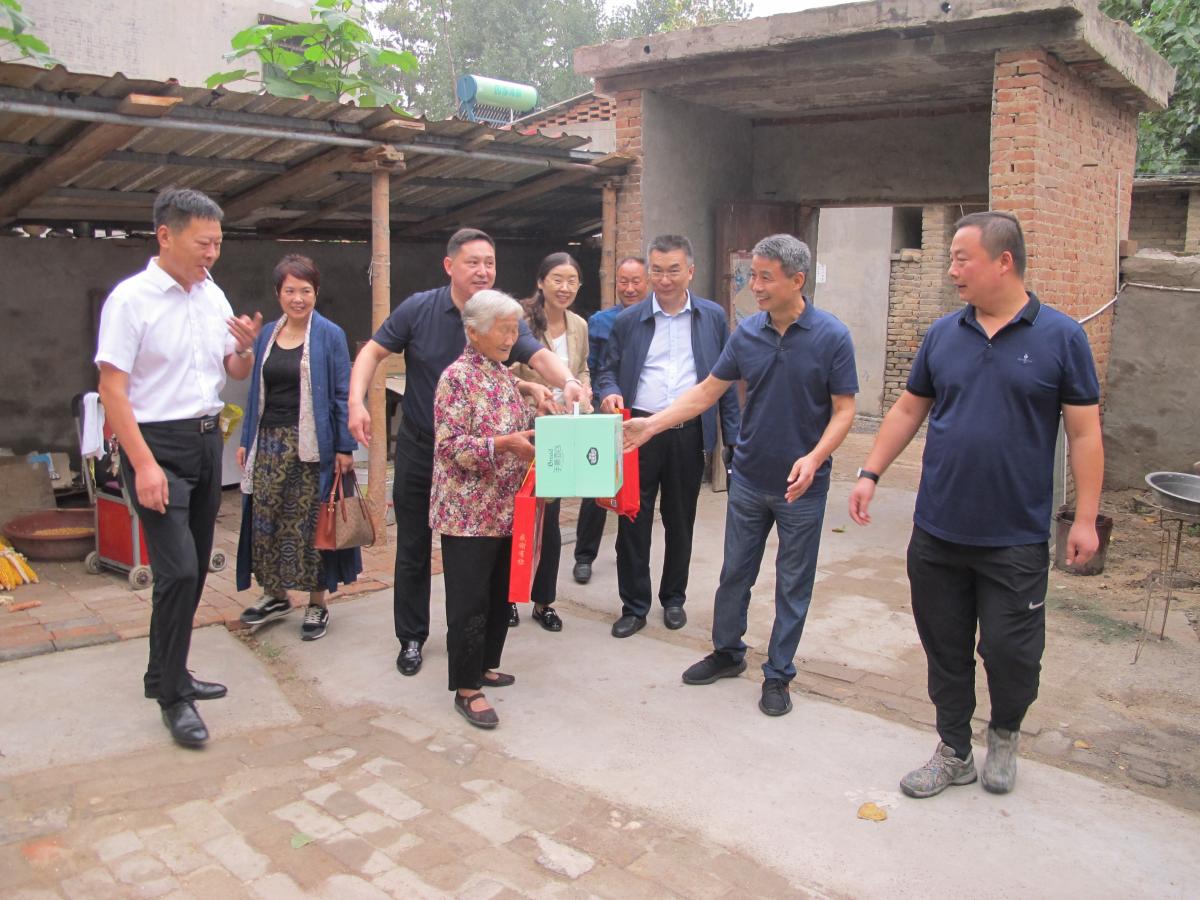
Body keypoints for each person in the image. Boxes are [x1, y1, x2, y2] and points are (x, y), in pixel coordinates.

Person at [848, 211, 1103, 798]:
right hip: (938, 529)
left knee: (1013, 653)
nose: (952, 269)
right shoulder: (943, 335)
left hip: (1015, 535)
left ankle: (1006, 732)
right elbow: (909, 409)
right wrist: (869, 472)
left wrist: (1085, 518)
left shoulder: (1061, 336)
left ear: (1003, 262)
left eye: (962, 258)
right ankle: (955, 751)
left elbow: (1085, 432)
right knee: (945, 647)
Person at [624, 234, 857, 716]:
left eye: (765, 277)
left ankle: (778, 674)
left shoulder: (832, 336)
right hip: (749, 478)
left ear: (797, 280)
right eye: (753, 276)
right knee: (734, 574)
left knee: (793, 583)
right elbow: (707, 391)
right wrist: (653, 424)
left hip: (802, 489)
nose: (755, 286)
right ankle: (728, 653)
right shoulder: (747, 332)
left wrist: (815, 457)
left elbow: (844, 410)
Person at [348, 228, 587, 677]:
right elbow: (373, 352)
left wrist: (567, 381)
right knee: (414, 547)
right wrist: (355, 401)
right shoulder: (420, 309)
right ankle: (412, 637)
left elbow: (537, 356)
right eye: (473, 262)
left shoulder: (499, 315)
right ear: (450, 266)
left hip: (480, 465)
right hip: (425, 447)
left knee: (475, 562)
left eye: (489, 263)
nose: (483, 271)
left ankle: (473, 648)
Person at [95, 188, 262, 747]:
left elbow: (231, 369)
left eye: (217, 243)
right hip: (155, 446)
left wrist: (245, 348)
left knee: (190, 571)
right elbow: (112, 390)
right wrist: (142, 465)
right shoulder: (130, 300)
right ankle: (173, 697)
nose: (211, 253)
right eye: (202, 243)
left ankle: (165, 672)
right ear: (165, 236)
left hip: (205, 441)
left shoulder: (212, 295)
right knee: (181, 571)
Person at [595, 234, 741, 638]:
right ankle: (634, 606)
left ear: (690, 271)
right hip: (637, 432)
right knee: (633, 519)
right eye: (656, 270)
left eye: (673, 270)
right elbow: (606, 370)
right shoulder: (629, 320)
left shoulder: (712, 317)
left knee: (681, 520)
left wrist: (733, 439)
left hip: (687, 432)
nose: (664, 279)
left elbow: (725, 381)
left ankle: (674, 598)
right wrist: (609, 391)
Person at [234, 255, 361, 642]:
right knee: (266, 521)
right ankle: (275, 595)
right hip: (269, 444)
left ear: (316, 292)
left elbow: (342, 393)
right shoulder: (266, 335)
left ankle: (316, 603)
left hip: (312, 448)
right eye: (290, 290)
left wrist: (344, 447)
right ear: (278, 293)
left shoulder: (329, 335)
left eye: (305, 290)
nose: (298, 298)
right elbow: (254, 392)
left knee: (311, 526)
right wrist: (246, 440)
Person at [431, 291, 537, 729]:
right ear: (473, 332)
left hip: (505, 508)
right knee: (469, 602)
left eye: (515, 329)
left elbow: (516, 425)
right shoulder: (456, 378)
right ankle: (466, 688)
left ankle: (486, 665)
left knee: (498, 595)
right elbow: (450, 446)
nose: (511, 338)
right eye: (503, 329)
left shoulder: (501, 373)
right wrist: (504, 445)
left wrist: (539, 414)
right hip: (467, 514)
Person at [508, 252, 591, 631]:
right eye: (557, 279)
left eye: (572, 280)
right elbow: (505, 371)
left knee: (551, 519)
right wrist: (534, 395)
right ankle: (509, 597)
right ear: (541, 282)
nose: (565, 287)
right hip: (524, 428)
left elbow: (582, 368)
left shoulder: (579, 325)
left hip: (561, 431)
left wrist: (584, 388)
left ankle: (544, 601)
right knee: (516, 515)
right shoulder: (519, 321)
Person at [573, 256, 650, 585]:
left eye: (636, 281)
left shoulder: (655, 320)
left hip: (643, 417)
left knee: (636, 488)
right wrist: (595, 405)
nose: (629, 288)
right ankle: (584, 556)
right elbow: (590, 368)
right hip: (606, 414)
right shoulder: (601, 321)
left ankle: (627, 553)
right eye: (623, 281)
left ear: (647, 283)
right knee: (596, 485)